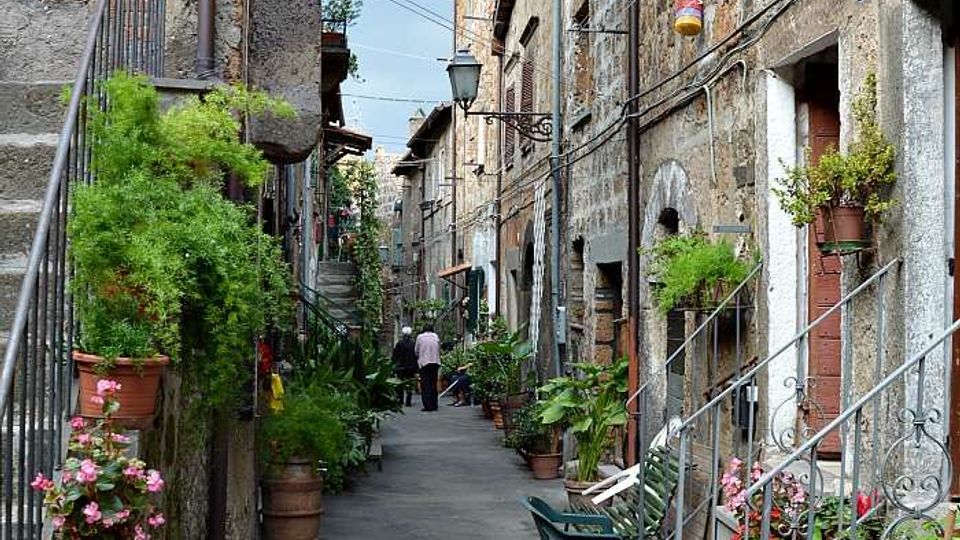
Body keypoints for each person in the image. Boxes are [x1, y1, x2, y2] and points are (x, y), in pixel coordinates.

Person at [414, 323, 441, 412]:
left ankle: (427, 405)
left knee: (425, 384)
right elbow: (439, 348)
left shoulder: (420, 337)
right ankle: (434, 404)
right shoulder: (436, 336)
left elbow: (416, 351)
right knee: (433, 383)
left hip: (424, 363)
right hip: (435, 362)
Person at [391, 326, 418, 406]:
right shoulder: (413, 343)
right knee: (409, 383)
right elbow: (416, 355)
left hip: (400, 366)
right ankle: (408, 400)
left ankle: (400, 399)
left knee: (400, 383)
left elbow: (395, 355)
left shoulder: (399, 343)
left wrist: (394, 364)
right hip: (411, 366)